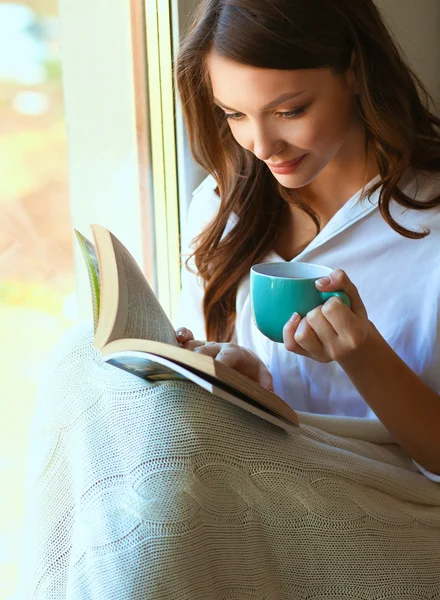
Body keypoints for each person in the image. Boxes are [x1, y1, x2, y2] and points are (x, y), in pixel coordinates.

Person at [173, 0, 440, 479]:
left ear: (353, 70)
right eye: (234, 114)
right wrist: (239, 377)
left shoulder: (430, 226)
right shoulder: (219, 207)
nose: (261, 145)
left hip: (398, 519)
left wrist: (362, 355)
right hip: (259, 493)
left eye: (289, 110)